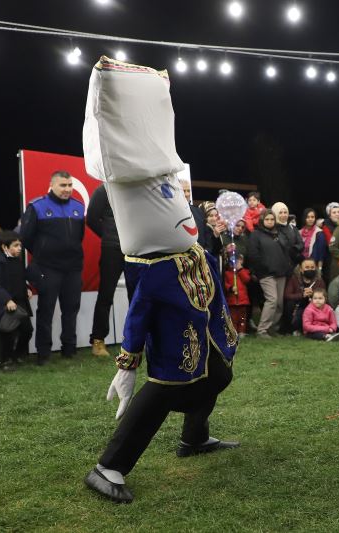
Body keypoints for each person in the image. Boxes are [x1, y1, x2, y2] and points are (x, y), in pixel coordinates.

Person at [82, 56, 239, 503]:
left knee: (219, 375)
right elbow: (137, 315)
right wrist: (127, 366)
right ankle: (108, 467)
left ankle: (194, 438)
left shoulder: (195, 246)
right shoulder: (151, 269)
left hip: (206, 332)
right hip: (173, 339)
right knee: (163, 392)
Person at [19, 170, 85, 363]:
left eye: (70, 185)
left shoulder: (78, 207)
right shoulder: (37, 206)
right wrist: (42, 254)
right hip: (48, 267)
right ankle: (43, 353)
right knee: (46, 310)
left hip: (73, 267)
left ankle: (69, 350)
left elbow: (79, 237)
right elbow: (26, 237)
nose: (67, 189)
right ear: (52, 185)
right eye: (63, 185)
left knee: (71, 309)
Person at [86, 183, 133, 357]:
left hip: (135, 248)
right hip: (112, 249)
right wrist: (108, 235)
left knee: (137, 296)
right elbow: (91, 218)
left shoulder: (135, 187)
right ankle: (98, 340)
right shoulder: (103, 189)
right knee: (105, 295)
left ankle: (136, 340)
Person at [0, 231, 35, 370]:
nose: (19, 248)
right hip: (6, 304)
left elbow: (20, 278)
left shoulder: (18, 260)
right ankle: (5, 360)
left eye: (20, 245)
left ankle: (18, 355)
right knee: (7, 333)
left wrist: (26, 287)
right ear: (4, 247)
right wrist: (7, 300)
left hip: (20, 302)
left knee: (27, 330)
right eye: (15, 245)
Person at [248, 209, 294, 338]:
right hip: (266, 273)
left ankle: (272, 328)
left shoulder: (279, 233)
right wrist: (261, 269)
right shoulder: (255, 234)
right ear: (262, 220)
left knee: (279, 303)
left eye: (272, 219)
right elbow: (253, 255)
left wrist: (287, 267)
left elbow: (287, 251)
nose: (270, 222)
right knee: (272, 300)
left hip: (281, 272)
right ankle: (262, 330)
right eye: (267, 219)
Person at [284, 258, 326, 335]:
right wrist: (302, 295)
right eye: (307, 267)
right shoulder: (294, 279)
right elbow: (287, 295)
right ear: (301, 269)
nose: (310, 269)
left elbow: (324, 296)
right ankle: (291, 328)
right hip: (298, 306)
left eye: (312, 267)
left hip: (313, 307)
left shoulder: (319, 280)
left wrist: (314, 295)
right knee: (289, 304)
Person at [223, 253, 250, 336]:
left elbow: (247, 280)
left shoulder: (244, 271)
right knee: (233, 318)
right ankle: (234, 332)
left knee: (242, 318)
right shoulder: (227, 273)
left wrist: (240, 269)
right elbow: (225, 284)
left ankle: (241, 331)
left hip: (242, 300)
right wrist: (230, 288)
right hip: (232, 300)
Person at [271, 201, 303, 267]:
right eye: (280, 213)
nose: (284, 215)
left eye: (285, 212)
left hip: (294, 263)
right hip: (279, 265)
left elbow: (301, 243)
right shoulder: (272, 229)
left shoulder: (292, 227)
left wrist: (294, 249)